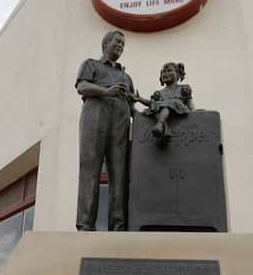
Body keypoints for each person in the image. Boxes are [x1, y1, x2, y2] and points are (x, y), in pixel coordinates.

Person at [75, 30, 136, 231]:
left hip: (120, 121)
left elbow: (133, 105)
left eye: (123, 44)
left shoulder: (126, 76)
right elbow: (82, 87)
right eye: (117, 42)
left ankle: (118, 226)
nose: (120, 46)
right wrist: (107, 91)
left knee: (119, 175)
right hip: (95, 116)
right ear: (105, 44)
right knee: (90, 170)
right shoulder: (91, 64)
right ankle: (85, 225)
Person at [135, 62, 194, 142]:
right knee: (156, 106)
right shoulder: (159, 93)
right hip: (161, 111)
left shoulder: (183, 89)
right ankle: (165, 130)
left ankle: (160, 124)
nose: (166, 73)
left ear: (177, 74)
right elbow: (151, 104)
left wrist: (194, 113)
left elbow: (191, 107)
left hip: (178, 110)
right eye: (163, 72)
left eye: (169, 71)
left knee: (166, 104)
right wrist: (140, 99)